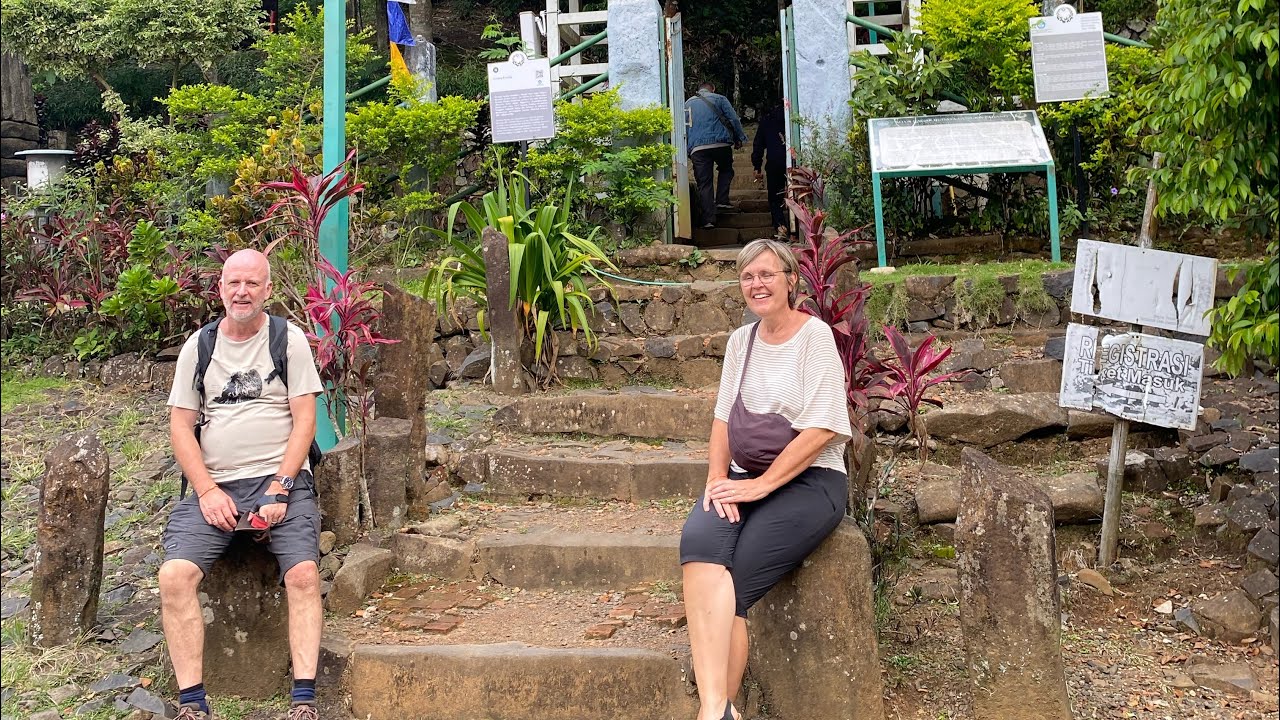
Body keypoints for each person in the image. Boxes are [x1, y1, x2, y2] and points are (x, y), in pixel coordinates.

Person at [679, 238, 852, 720]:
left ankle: (714, 712)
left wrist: (759, 487)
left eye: (767, 274)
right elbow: (721, 421)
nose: (756, 284)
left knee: (732, 581)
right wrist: (718, 481)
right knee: (700, 542)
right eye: (747, 277)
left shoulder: (815, 338)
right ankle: (718, 711)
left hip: (810, 480)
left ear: (791, 279)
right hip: (741, 475)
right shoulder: (742, 341)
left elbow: (821, 429)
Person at [158, 249, 325, 720]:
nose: (242, 292)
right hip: (217, 484)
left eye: (252, 283)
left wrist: (282, 486)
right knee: (174, 577)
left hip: (279, 479)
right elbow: (180, 427)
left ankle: (304, 699)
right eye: (233, 283)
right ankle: (193, 704)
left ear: (267, 290)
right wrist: (207, 491)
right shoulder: (200, 346)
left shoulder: (287, 341)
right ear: (221, 289)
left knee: (304, 575)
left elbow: (305, 420)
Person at [685, 81, 749, 229]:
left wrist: (688, 148)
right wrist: (739, 138)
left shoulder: (687, 103)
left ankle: (708, 220)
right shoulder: (719, 99)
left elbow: (685, 126)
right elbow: (733, 119)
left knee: (704, 183)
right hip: (721, 144)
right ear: (712, 89)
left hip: (698, 148)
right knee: (726, 169)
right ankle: (721, 200)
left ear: (698, 90)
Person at [752, 104, 789, 237]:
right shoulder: (792, 116)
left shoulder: (767, 120)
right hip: (793, 161)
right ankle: (796, 229)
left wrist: (757, 166)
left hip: (774, 162)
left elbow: (758, 145)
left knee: (775, 197)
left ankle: (781, 226)